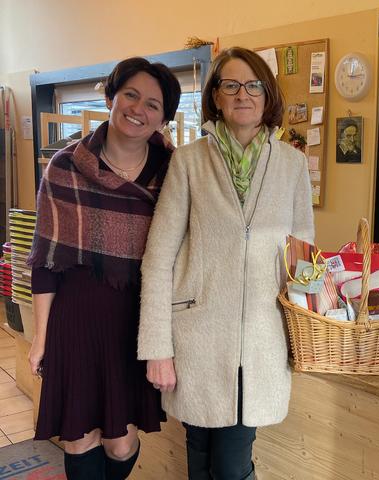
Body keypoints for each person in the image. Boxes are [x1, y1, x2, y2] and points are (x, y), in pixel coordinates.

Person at [137, 47, 314, 480]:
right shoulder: (188, 162)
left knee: (232, 464)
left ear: (267, 95)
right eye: (230, 84)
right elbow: (158, 260)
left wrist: (306, 330)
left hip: (261, 340)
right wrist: (157, 349)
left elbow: (303, 255)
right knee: (198, 453)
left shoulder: (291, 164)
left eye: (253, 85)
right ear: (216, 96)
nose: (243, 94)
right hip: (196, 337)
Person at [27, 57, 181, 479]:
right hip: (75, 315)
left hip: (136, 320)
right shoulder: (65, 167)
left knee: (120, 442)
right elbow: (46, 260)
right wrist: (41, 339)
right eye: (130, 95)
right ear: (111, 98)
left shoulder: (174, 173)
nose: (139, 108)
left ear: (164, 117)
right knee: (78, 436)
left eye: (153, 103)